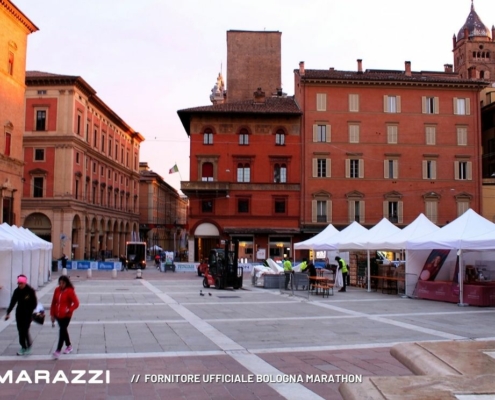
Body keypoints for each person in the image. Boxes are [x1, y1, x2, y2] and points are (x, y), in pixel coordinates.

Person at [5, 275, 37, 355]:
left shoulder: (30, 291)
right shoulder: (17, 291)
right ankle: (23, 347)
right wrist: (8, 312)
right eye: (19, 283)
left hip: (28, 314)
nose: (20, 285)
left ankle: (28, 346)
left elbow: (34, 303)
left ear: (25, 283)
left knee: (25, 330)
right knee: (20, 331)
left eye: (21, 283)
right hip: (19, 313)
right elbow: (13, 302)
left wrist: (31, 312)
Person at [50, 275, 79, 359]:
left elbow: (76, 303)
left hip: (66, 315)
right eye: (60, 283)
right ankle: (69, 345)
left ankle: (58, 350)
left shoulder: (70, 291)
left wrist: (69, 309)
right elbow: (53, 302)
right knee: (64, 330)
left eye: (63, 283)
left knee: (62, 330)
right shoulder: (57, 290)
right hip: (58, 314)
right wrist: (52, 314)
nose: (61, 285)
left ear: (66, 283)